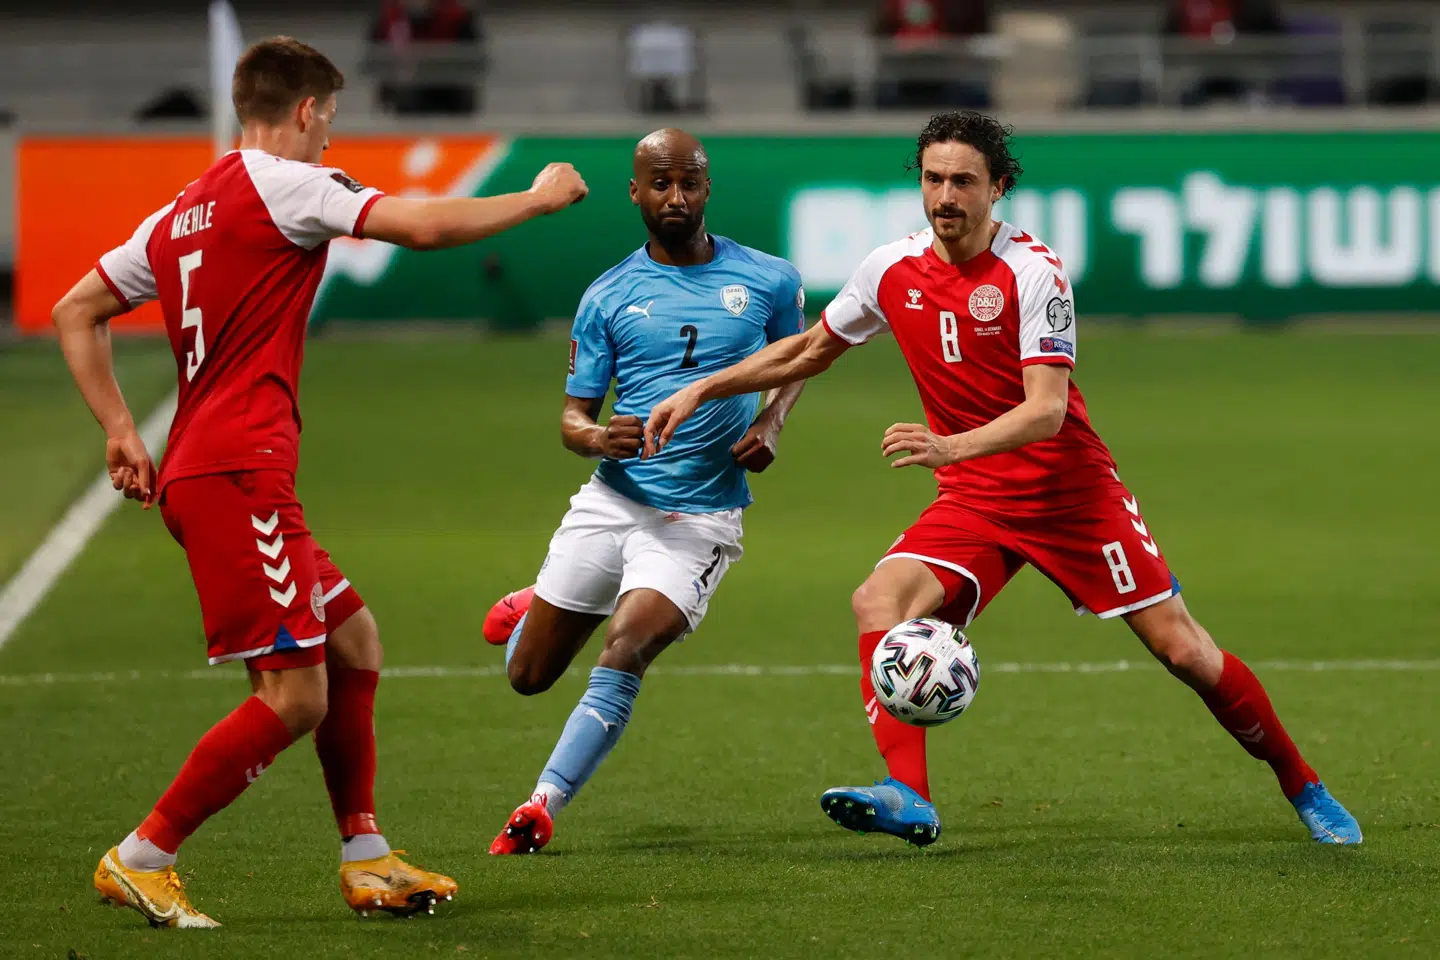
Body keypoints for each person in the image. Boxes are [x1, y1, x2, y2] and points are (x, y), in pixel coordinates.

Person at [642, 111, 1361, 848]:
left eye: (963, 181)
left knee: (1184, 652)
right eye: (933, 179)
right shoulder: (891, 269)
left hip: (1069, 493)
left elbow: (1047, 412)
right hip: (979, 498)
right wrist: (707, 390)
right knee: (878, 601)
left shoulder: (1034, 272)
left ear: (998, 188)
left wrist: (951, 449)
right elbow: (810, 350)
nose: (945, 197)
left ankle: (1304, 785)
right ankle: (908, 796)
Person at [52, 36, 587, 928]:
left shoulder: (183, 209)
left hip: (213, 466)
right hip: (236, 473)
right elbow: (417, 228)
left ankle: (368, 856)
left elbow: (78, 310)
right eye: (329, 120)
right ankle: (144, 854)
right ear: (304, 110)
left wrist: (120, 431)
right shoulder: (283, 183)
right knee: (296, 697)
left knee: (354, 641)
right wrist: (536, 199)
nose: (330, 141)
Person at [480, 128, 808, 855]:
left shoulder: (770, 280)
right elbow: (573, 417)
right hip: (613, 501)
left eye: (689, 182)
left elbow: (800, 356)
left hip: (699, 518)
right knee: (528, 676)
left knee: (626, 645)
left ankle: (541, 805)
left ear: (707, 187)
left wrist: (774, 422)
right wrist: (597, 438)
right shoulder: (607, 296)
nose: (676, 197)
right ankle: (538, 600)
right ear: (636, 191)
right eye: (660, 184)